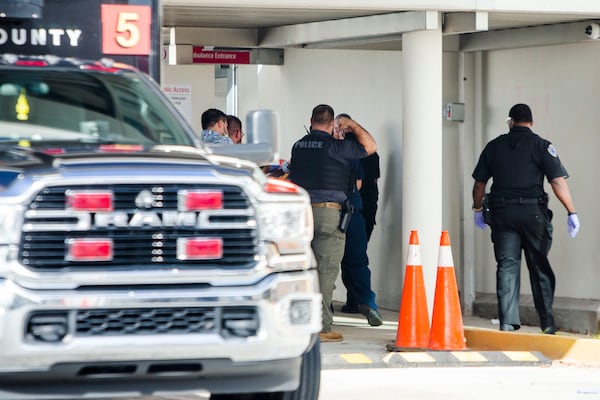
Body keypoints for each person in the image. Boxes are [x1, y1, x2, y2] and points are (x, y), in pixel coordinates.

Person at [471, 103, 580, 334]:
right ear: (531, 122)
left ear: (510, 121)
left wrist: (478, 209)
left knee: (507, 267)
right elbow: (557, 181)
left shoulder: (494, 146)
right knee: (539, 265)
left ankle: (508, 323)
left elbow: (480, 183)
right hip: (533, 216)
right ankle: (547, 323)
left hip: (503, 216)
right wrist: (571, 211)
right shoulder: (542, 146)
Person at [288, 104, 377, 342]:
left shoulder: (298, 146)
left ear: (311, 119)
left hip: (300, 215)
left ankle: (300, 321)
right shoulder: (337, 148)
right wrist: (353, 126)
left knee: (303, 270)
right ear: (331, 125)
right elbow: (370, 146)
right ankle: (323, 327)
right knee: (325, 272)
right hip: (328, 214)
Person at [339, 156, 383, 326]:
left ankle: (324, 309)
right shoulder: (353, 152)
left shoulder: (305, 148)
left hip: (323, 210)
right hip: (353, 211)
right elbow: (360, 183)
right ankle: (366, 302)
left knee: (324, 265)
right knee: (357, 262)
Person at [359, 152, 380, 242]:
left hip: (355, 204)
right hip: (368, 203)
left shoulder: (345, 151)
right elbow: (375, 180)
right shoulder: (373, 155)